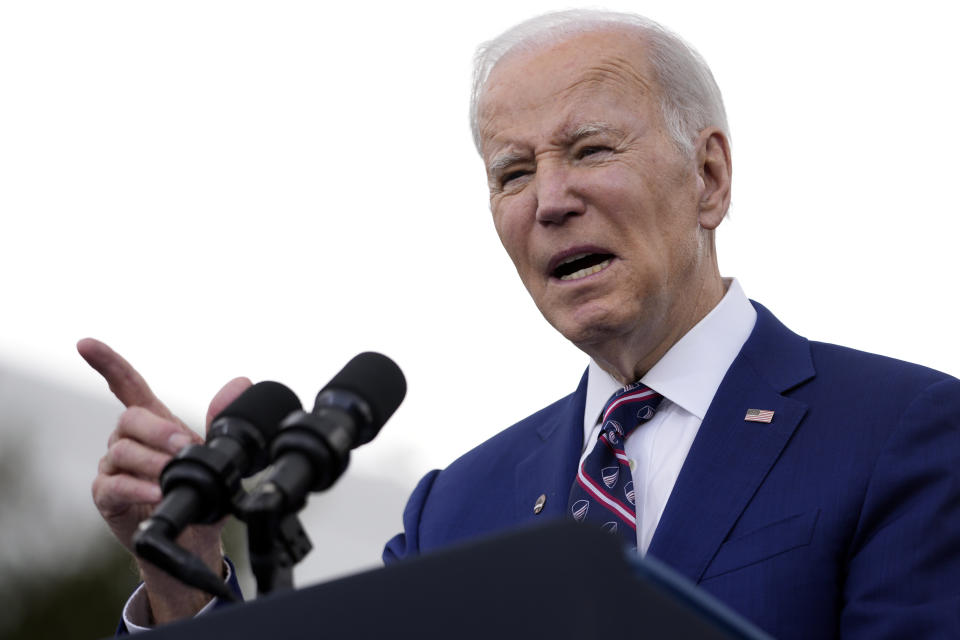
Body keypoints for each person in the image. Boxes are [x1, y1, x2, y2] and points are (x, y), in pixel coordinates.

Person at [84, 10, 960, 639]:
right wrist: (186, 580)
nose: (549, 200)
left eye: (589, 150)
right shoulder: (456, 509)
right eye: (511, 173)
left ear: (709, 176)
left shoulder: (903, 431)